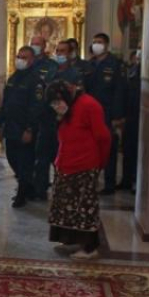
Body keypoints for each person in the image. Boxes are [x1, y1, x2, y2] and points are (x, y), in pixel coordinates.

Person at [46, 79, 112, 260]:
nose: (57, 106)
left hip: (85, 163)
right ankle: (70, 239)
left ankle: (90, 247)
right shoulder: (67, 107)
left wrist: (101, 164)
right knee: (64, 204)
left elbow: (103, 138)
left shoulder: (89, 105)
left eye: (58, 101)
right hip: (65, 161)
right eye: (53, 103)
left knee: (84, 206)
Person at [0, 46, 46, 207]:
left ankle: (21, 195)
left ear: (32, 60)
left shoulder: (36, 80)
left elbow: (36, 107)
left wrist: (30, 129)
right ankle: (28, 186)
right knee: (12, 158)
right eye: (19, 56)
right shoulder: (13, 78)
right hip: (11, 126)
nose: (20, 60)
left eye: (24, 57)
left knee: (25, 162)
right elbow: (6, 103)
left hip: (25, 128)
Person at [85, 32, 126, 194]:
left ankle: (109, 183)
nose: (96, 45)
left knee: (109, 148)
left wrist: (117, 116)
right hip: (90, 114)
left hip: (108, 113)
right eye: (94, 42)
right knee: (91, 149)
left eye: (100, 42)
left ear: (106, 45)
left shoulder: (115, 64)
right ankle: (91, 180)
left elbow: (120, 91)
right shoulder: (90, 64)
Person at [29, 35, 58, 201]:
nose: (34, 46)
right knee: (31, 156)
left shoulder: (51, 66)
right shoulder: (29, 64)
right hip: (31, 116)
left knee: (46, 155)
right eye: (32, 44)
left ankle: (43, 189)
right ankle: (32, 187)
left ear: (44, 45)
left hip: (46, 117)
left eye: (37, 44)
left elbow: (50, 88)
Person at [118, 48, 141, 192]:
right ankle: (126, 180)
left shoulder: (143, 72)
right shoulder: (130, 71)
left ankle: (134, 180)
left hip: (138, 114)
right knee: (127, 149)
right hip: (129, 114)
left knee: (136, 150)